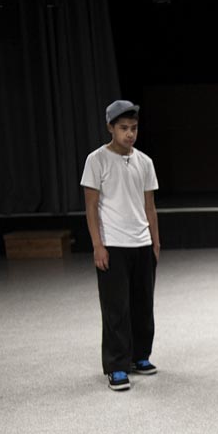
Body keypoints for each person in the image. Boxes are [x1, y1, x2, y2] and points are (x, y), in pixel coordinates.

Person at [81, 100, 161, 391]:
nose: (130, 134)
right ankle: (117, 366)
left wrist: (155, 241)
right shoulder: (97, 160)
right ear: (110, 128)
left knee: (143, 304)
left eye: (134, 128)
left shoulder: (145, 162)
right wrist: (97, 245)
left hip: (141, 243)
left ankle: (140, 356)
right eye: (124, 128)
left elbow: (149, 206)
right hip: (113, 244)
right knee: (116, 308)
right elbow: (91, 207)